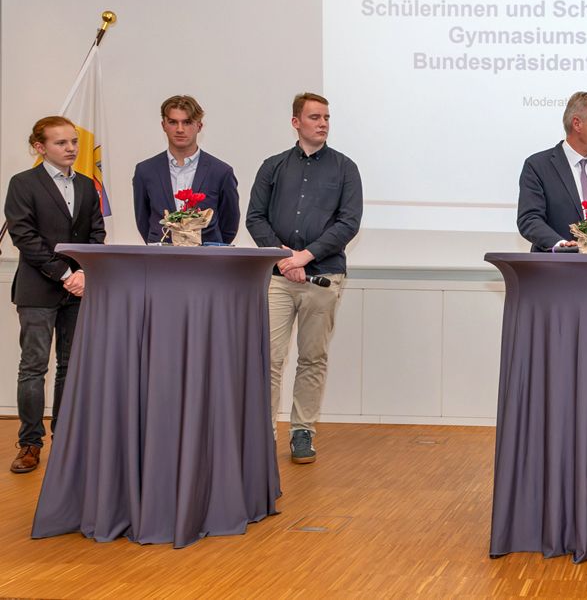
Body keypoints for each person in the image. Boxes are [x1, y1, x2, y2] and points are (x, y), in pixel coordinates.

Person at [246, 93, 362, 464]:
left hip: (323, 277)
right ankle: (263, 433)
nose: (323, 123)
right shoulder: (273, 166)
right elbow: (255, 217)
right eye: (314, 117)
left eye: (326, 117)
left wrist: (305, 256)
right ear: (296, 122)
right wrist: (285, 259)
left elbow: (348, 223)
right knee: (269, 357)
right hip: (279, 279)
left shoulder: (345, 168)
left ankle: (302, 431)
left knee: (312, 358)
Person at [4, 116, 106, 473]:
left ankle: (64, 439)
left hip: (79, 290)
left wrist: (84, 272)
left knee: (70, 366)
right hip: (37, 289)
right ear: (40, 147)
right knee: (33, 368)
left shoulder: (87, 185)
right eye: (61, 143)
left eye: (73, 142)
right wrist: (64, 274)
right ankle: (30, 443)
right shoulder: (22, 183)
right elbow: (24, 236)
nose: (71, 148)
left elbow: (96, 234)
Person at [516, 91, 587, 253]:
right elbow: (529, 219)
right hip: (560, 266)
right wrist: (561, 245)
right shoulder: (538, 166)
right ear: (577, 124)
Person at [132, 95, 240, 244]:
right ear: (163, 125)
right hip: (160, 255)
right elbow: (143, 221)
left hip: (207, 256)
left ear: (199, 126)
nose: (180, 129)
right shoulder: (145, 171)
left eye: (187, 122)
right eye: (173, 122)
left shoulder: (221, 172)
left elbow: (229, 226)